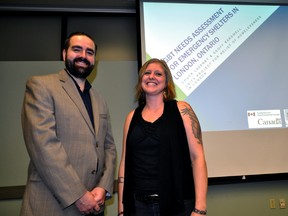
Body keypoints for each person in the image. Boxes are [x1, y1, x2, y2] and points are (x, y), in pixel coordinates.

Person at [20, 32, 116, 216]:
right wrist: (78, 195)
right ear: (64, 54)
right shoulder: (41, 86)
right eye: (77, 49)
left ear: (95, 59)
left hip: (94, 205)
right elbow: (44, 146)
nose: (83, 56)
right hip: (51, 205)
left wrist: (103, 187)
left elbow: (109, 147)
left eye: (90, 52)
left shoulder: (99, 99)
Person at [118, 58, 208, 216]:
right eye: (147, 73)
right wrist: (121, 209)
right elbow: (124, 164)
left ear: (167, 82)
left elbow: (197, 157)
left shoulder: (182, 110)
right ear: (141, 80)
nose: (151, 76)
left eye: (158, 73)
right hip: (137, 207)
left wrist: (200, 208)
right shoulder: (131, 117)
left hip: (177, 204)